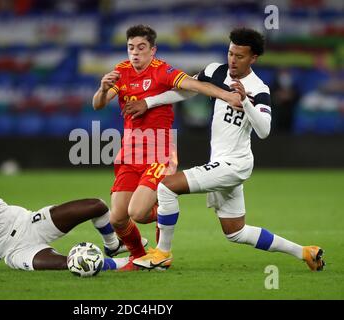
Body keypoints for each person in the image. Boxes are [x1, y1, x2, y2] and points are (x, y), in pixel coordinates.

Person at [125, 28, 325, 271]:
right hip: (221, 162)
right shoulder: (214, 71)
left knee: (166, 187)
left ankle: (162, 253)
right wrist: (148, 102)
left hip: (235, 163)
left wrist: (246, 104)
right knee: (235, 232)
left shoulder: (259, 89)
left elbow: (264, 130)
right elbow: (187, 90)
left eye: (239, 56)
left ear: (253, 58)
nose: (232, 60)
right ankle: (305, 252)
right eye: (231, 53)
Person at [92, 24, 242, 270]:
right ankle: (138, 256)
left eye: (141, 48)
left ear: (153, 50)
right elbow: (98, 104)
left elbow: (196, 86)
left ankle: (164, 210)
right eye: (131, 48)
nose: (135, 53)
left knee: (138, 213)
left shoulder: (162, 71)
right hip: (130, 154)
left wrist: (227, 96)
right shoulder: (121, 71)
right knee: (117, 218)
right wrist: (102, 88)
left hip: (159, 152)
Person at [0, 153, 130, 272]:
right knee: (71, 264)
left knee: (97, 206)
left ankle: (112, 245)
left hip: (28, 223)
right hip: (15, 251)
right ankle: (127, 263)